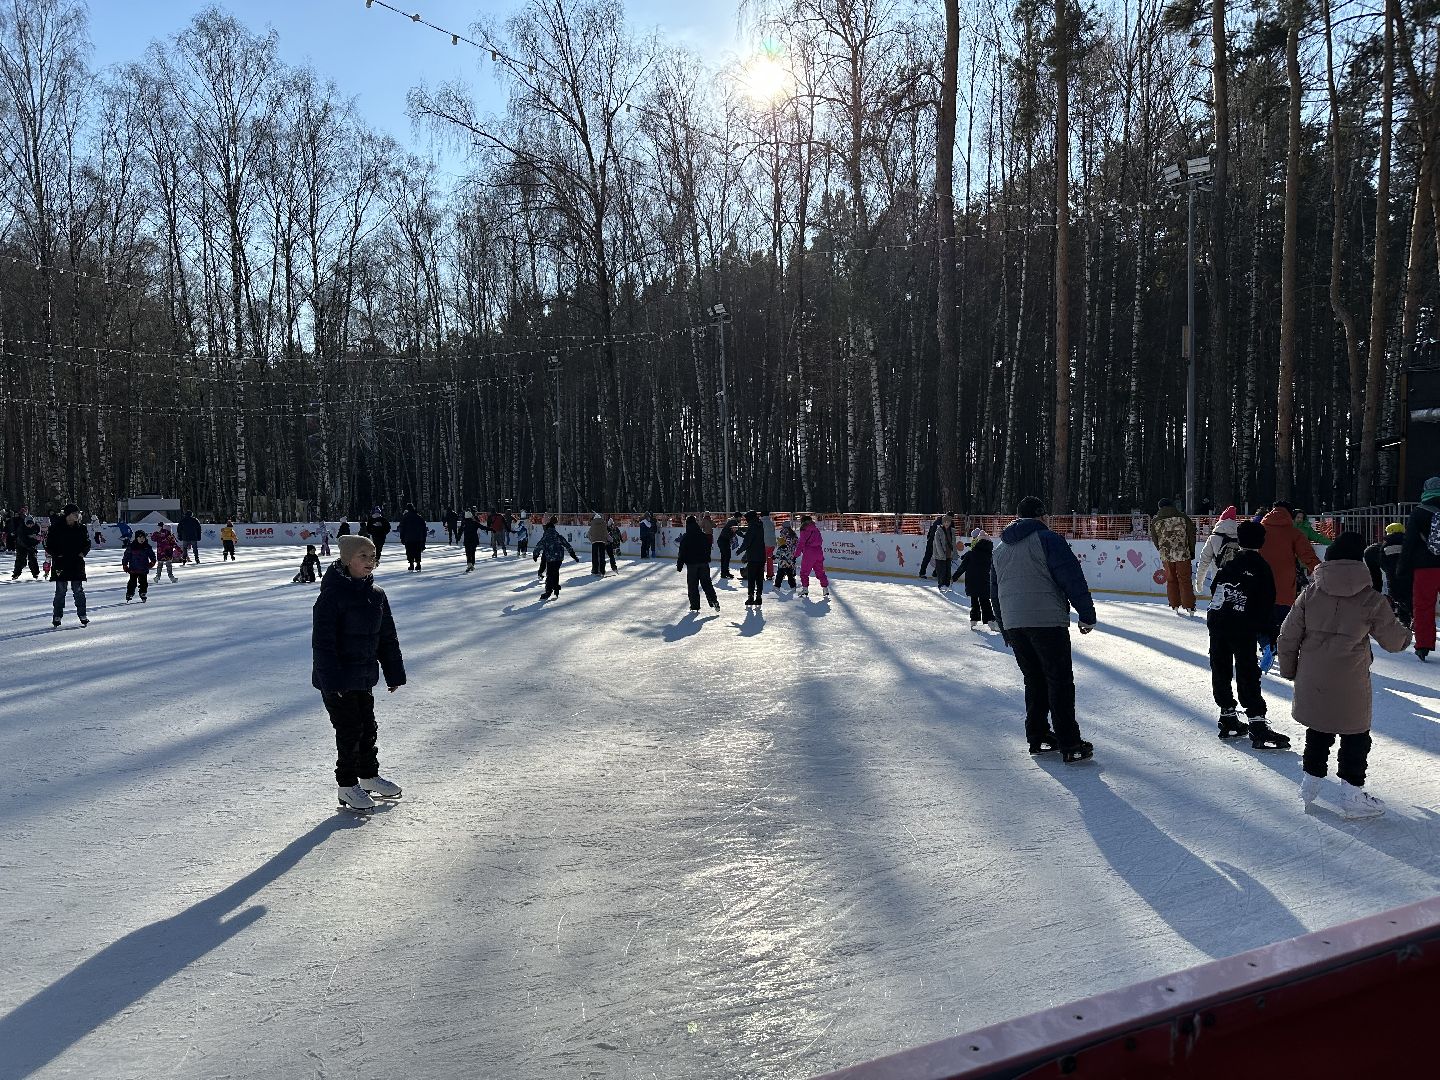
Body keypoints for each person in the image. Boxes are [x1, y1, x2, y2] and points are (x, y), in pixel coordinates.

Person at [1278, 531, 1412, 817]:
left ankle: (1310, 783)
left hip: (1313, 676)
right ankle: (1352, 794)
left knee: (1318, 728)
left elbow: (1287, 637)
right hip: (1350, 680)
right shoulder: (1370, 599)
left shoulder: (1310, 593)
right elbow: (1394, 641)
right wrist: (1407, 631)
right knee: (1355, 736)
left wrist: (1290, 670)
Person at [990, 496, 1097, 762]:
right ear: (1040, 516)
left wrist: (1005, 626)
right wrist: (1086, 614)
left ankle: (1038, 736)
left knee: (1034, 680)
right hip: (1046, 621)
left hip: (1016, 623)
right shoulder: (1048, 539)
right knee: (1059, 681)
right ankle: (1069, 742)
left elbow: (994, 592)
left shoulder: (1000, 548)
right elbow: (1071, 576)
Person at [313, 534, 406, 814]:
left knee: (367, 730)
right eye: (363, 556)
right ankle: (347, 785)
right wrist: (333, 682)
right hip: (338, 681)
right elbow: (323, 644)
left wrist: (393, 674)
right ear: (347, 559)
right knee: (349, 731)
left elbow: (386, 637)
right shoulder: (331, 596)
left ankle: (368, 776)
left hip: (363, 677)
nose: (370, 561)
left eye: (372, 555)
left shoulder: (376, 594)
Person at [1205, 519, 1289, 747]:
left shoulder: (1229, 564)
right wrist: (1269, 635)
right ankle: (1257, 723)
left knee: (1220, 667)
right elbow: (1266, 604)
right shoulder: (1261, 567)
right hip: (1242, 628)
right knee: (1247, 670)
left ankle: (1228, 715)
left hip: (1218, 623)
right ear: (1262, 542)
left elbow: (1215, 590)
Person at [1258, 501, 1322, 670]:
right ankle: (1282, 650)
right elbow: (1307, 556)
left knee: (1260, 619)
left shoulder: (1260, 529)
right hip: (1285, 585)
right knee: (1284, 622)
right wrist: (1322, 571)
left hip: (1261, 582)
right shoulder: (1293, 532)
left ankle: (1266, 645)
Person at [1397, 476, 1440, 661]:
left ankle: (1423, 645)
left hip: (1425, 568)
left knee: (1424, 606)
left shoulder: (1419, 512)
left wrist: (1402, 567)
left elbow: (1409, 543)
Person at [1149, 498, 1197, 616]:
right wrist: (1191, 551)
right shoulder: (1183, 517)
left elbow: (1155, 539)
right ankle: (1189, 606)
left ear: (1160, 507)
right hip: (1183, 553)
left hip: (1166, 555)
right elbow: (1191, 535)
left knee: (1171, 580)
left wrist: (1162, 550)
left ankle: (1174, 604)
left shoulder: (1156, 521)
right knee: (1184, 579)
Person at [45, 503, 90, 628]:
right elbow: (48, 545)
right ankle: (57, 615)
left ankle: (82, 614)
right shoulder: (56, 528)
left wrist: (83, 552)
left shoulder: (82, 528)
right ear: (67, 515)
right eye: (74, 513)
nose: (77, 515)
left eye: (78, 513)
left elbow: (87, 543)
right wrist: (56, 554)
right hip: (61, 563)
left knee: (78, 590)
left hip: (76, 563)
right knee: (60, 591)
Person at [676, 514, 720, 612]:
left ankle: (695, 606)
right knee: (707, 583)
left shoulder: (686, 537)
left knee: (693, 585)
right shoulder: (703, 536)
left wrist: (679, 565)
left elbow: (682, 552)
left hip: (692, 565)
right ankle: (714, 600)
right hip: (704, 563)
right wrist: (707, 558)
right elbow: (708, 548)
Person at [1193, 505, 1241, 595]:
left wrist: (1199, 583)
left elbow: (1204, 561)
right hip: (1237, 582)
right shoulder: (1241, 537)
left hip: (1218, 580)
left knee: (1217, 606)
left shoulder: (1213, 538)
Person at [1364, 523, 1408, 619]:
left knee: (1379, 583)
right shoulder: (1409, 544)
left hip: (1391, 580)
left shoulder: (1380, 548)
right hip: (1407, 578)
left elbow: (1384, 564)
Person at [532, 516, 579, 601]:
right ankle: (556, 588)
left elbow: (539, 546)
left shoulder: (545, 537)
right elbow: (567, 545)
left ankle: (548, 591)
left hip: (550, 558)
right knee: (555, 572)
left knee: (550, 574)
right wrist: (573, 555)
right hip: (559, 558)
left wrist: (535, 555)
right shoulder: (558, 536)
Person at [957, 531, 995, 627]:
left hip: (972, 582)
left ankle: (974, 619)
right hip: (984, 582)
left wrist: (954, 577)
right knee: (985, 601)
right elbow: (995, 569)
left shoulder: (971, 553)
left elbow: (962, 567)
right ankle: (990, 620)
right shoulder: (990, 555)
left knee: (974, 601)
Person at [737, 509, 767, 607]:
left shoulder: (752, 526)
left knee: (751, 578)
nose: (746, 521)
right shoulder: (760, 524)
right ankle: (759, 597)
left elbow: (747, 541)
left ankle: (750, 597)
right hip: (761, 556)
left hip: (753, 557)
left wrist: (740, 550)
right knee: (759, 578)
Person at [796, 515, 829, 599]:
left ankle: (805, 589)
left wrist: (796, 554)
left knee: (804, 572)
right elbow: (820, 540)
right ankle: (825, 588)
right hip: (818, 552)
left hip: (809, 553)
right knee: (820, 571)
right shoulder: (816, 529)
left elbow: (801, 543)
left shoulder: (804, 529)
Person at [122, 530, 156, 603]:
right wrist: (125, 565)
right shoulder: (132, 546)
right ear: (136, 538)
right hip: (133, 569)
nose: (142, 539)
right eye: (140, 537)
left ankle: (143, 593)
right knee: (132, 582)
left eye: (143, 537)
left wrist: (152, 562)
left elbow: (152, 555)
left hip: (143, 568)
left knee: (144, 583)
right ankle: (130, 593)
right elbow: (126, 556)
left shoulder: (147, 547)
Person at [9, 510, 40, 580]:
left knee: (33, 559)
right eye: (28, 524)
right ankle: (16, 574)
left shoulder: (36, 527)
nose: (30, 525)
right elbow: (22, 540)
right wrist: (30, 545)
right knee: (20, 560)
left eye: (31, 524)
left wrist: (35, 542)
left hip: (32, 545)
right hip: (21, 545)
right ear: (25, 523)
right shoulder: (21, 528)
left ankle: (35, 573)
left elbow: (38, 538)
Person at [398, 503, 428, 573]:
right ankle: (418, 564)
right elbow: (424, 529)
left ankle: (411, 564)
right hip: (418, 538)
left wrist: (402, 537)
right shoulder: (419, 517)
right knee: (417, 551)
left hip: (408, 538)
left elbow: (402, 528)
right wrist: (423, 539)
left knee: (409, 551)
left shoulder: (405, 517)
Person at [933, 512, 957, 593]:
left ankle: (947, 585)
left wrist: (955, 553)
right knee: (941, 571)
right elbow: (937, 544)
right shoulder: (938, 531)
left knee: (948, 570)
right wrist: (941, 554)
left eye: (948, 522)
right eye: (945, 522)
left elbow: (953, 543)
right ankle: (941, 585)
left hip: (948, 554)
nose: (947, 523)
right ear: (943, 523)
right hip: (940, 555)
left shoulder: (952, 531)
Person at [918, 513, 944, 579]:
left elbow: (929, 533)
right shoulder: (941, 525)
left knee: (927, 557)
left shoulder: (934, 523)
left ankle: (922, 573)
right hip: (935, 543)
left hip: (930, 541)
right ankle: (935, 573)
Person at [773, 524, 798, 591]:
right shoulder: (793, 534)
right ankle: (793, 586)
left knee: (779, 576)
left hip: (781, 565)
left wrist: (774, 557)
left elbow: (778, 556)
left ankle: (777, 586)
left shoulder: (780, 549)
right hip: (789, 564)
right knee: (790, 576)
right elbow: (796, 543)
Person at [717, 513, 740, 580]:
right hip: (723, 541)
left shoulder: (732, 522)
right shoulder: (733, 522)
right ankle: (724, 573)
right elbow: (737, 531)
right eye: (740, 518)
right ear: (737, 517)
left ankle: (724, 572)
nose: (740, 519)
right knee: (726, 556)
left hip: (723, 541)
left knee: (725, 557)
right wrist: (745, 536)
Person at [761, 511, 777, 579]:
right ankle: (770, 574)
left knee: (761, 559)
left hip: (764, 543)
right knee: (769, 559)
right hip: (772, 542)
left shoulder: (761, 522)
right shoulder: (771, 522)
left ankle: (760, 574)